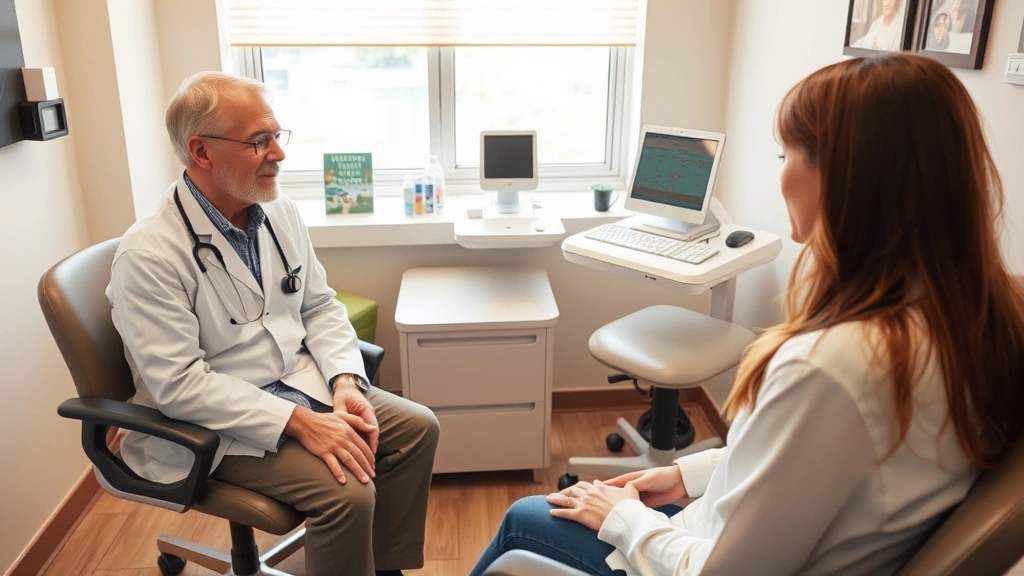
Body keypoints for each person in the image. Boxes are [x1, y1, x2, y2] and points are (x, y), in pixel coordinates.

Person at [471, 53, 1024, 576]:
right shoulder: (979, 315)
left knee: (526, 515)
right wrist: (687, 474)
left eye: (786, 157)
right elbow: (820, 468)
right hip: (743, 535)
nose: (781, 176)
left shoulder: (832, 367)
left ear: (842, 177)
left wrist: (619, 516)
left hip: (702, 557)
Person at [106, 71, 439, 576]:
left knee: (416, 428)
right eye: (259, 141)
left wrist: (345, 382)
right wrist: (302, 423)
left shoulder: (276, 211)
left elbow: (320, 306)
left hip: (296, 382)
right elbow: (177, 385)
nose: (278, 154)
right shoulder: (149, 254)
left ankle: (382, 567)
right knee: (346, 493)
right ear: (202, 151)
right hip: (209, 424)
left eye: (277, 137)